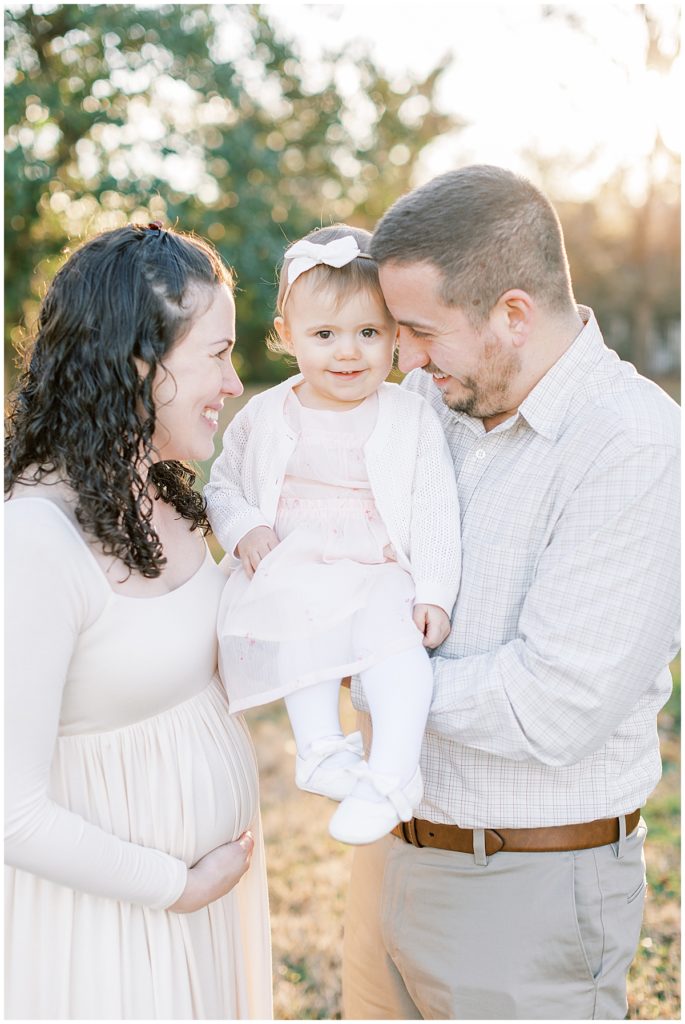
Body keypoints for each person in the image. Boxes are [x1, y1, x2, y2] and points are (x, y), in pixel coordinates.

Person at [341, 165, 680, 1020]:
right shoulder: (429, 404)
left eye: (419, 331)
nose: (403, 359)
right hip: (392, 859)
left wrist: (367, 666)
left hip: (525, 890)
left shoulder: (632, 444)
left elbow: (552, 704)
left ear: (513, 314)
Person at [4, 223, 273, 1019]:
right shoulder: (33, 539)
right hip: (102, 935)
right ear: (137, 360)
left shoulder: (174, 495)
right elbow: (10, 813)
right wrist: (176, 888)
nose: (234, 380)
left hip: (205, 924)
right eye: (217, 353)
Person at [204, 224, 460, 846]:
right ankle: (318, 747)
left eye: (369, 333)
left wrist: (435, 591)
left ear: (396, 335)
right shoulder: (269, 413)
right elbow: (222, 484)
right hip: (297, 562)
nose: (349, 353)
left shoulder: (409, 414)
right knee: (301, 635)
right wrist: (247, 529)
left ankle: (394, 773)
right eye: (325, 335)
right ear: (288, 336)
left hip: (378, 567)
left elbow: (434, 507)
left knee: (396, 653)